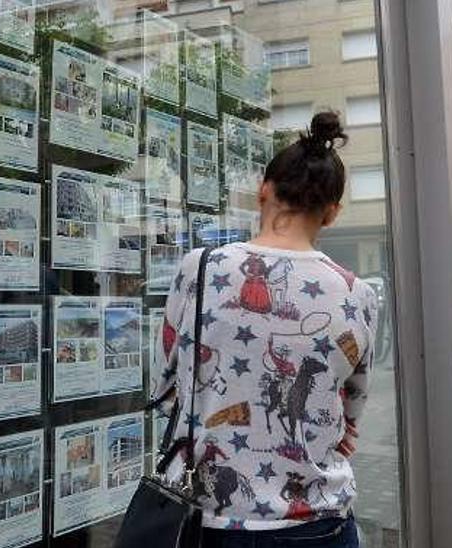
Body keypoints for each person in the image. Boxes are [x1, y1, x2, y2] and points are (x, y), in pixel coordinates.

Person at [150, 112, 378, 547]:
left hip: (212, 520)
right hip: (320, 522)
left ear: (263, 191)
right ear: (332, 213)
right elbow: (350, 415)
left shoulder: (200, 268)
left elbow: (165, 390)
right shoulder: (358, 294)